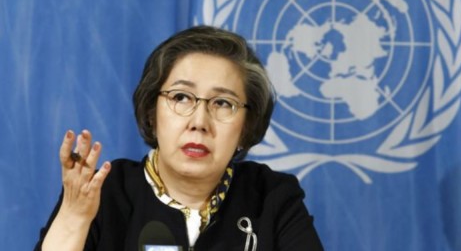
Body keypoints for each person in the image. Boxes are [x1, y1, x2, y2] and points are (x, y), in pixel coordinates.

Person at [35, 25, 323, 250]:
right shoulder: (104, 193)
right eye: (181, 97)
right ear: (152, 114)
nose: (199, 122)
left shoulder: (272, 197)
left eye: (223, 103)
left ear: (246, 128)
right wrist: (74, 219)